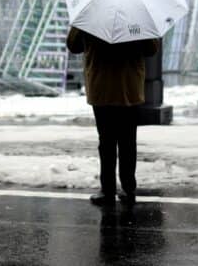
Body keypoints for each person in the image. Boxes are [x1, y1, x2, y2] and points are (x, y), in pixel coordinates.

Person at [67, 26, 158, 206]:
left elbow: (74, 46)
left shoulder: (91, 17)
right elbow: (151, 49)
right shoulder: (137, 17)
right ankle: (128, 188)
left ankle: (107, 190)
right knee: (128, 141)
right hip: (129, 88)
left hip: (102, 87)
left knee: (106, 142)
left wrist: (77, 25)